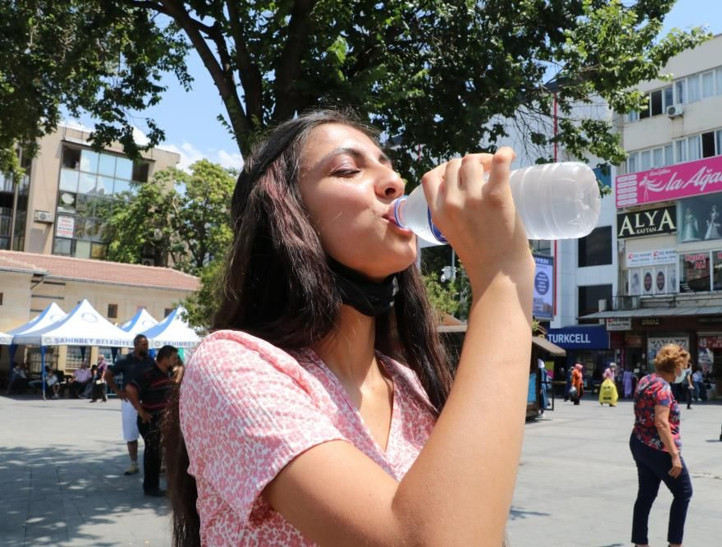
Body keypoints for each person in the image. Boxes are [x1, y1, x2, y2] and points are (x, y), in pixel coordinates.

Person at [162, 110, 535, 545]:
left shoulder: (412, 385)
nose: (395, 183)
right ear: (285, 215)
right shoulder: (230, 366)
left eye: (388, 165)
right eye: (347, 169)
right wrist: (502, 277)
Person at [629, 344, 693, 547]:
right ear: (675, 366)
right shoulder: (663, 388)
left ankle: (640, 543)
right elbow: (662, 423)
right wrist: (674, 455)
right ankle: (675, 544)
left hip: (639, 442)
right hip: (659, 448)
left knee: (646, 494)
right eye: (683, 365)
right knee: (684, 492)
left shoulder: (646, 380)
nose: (683, 370)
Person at [125, 344, 179, 497]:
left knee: (156, 452)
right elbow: (130, 388)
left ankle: (154, 485)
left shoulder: (166, 373)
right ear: (164, 359)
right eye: (174, 358)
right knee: (152, 452)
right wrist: (140, 410)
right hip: (150, 420)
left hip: (161, 419)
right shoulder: (150, 373)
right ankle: (150, 487)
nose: (176, 361)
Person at [105, 334, 156, 475]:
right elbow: (107, 375)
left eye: (147, 344)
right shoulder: (125, 360)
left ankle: (155, 464)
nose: (146, 347)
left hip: (148, 401)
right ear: (136, 345)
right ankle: (134, 464)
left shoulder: (151, 361)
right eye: (143, 344)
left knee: (152, 433)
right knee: (130, 433)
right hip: (129, 402)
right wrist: (117, 390)